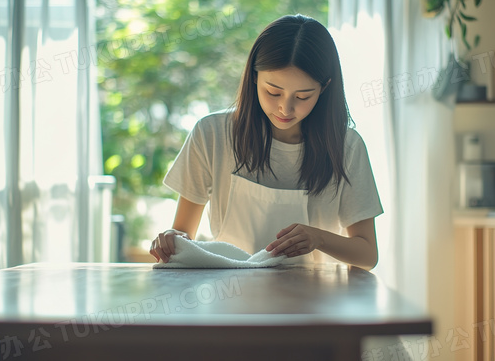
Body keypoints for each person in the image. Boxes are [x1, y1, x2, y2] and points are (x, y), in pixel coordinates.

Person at [149, 14, 382, 269]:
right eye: (273, 92)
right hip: (231, 293)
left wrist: (318, 238)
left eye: (303, 96)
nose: (285, 108)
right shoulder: (212, 134)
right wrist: (171, 240)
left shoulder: (346, 146)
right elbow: (183, 234)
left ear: (325, 88)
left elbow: (367, 256)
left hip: (316, 299)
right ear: (254, 77)